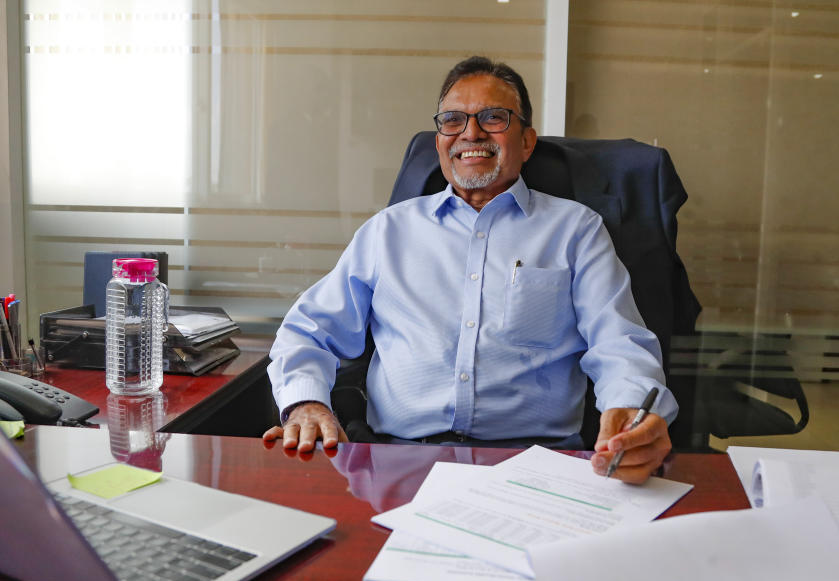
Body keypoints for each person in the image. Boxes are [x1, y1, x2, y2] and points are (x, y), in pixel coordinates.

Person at [264, 56, 673, 483]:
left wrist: (630, 412)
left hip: (538, 468)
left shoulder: (576, 229)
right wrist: (306, 403)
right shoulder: (389, 231)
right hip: (400, 465)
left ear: (527, 141)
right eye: (453, 120)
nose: (471, 132)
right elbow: (309, 329)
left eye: (493, 118)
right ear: (440, 140)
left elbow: (618, 342)